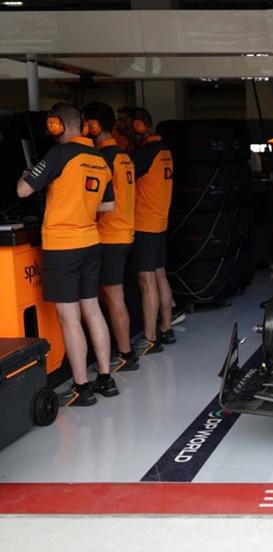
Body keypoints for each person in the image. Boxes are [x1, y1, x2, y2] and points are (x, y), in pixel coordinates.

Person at [16, 103, 118, 406]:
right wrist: (79, 201)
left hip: (62, 245)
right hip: (91, 241)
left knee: (70, 318)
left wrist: (27, 176)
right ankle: (105, 378)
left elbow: (23, 191)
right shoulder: (99, 159)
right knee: (93, 310)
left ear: (57, 125)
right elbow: (108, 206)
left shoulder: (59, 154)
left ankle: (82, 388)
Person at [82, 101, 140, 372]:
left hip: (110, 235)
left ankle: (127, 355)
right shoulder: (124, 155)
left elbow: (97, 199)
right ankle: (122, 349)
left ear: (94, 125)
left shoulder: (103, 158)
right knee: (112, 295)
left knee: (113, 296)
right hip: (124, 231)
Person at [130, 107, 176, 355]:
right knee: (160, 275)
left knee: (147, 281)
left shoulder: (145, 153)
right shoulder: (165, 150)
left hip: (144, 224)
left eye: (125, 125)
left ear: (138, 126)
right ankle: (166, 329)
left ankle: (149, 338)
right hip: (160, 222)